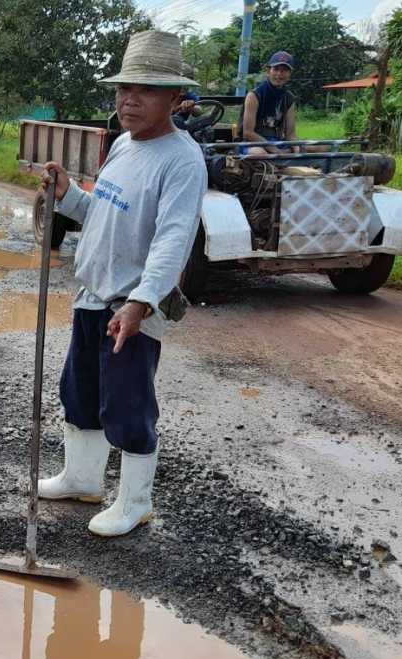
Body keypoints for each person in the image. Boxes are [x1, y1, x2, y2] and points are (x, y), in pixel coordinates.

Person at [37, 30, 206, 537]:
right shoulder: (123, 145)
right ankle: (83, 478)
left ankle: (135, 502)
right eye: (123, 89)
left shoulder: (182, 160)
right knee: (81, 391)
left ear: (176, 98)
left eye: (146, 90)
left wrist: (140, 304)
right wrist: (68, 194)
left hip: (131, 305)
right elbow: (101, 214)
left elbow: (173, 241)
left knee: (128, 403)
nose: (129, 100)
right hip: (93, 294)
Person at [242, 51, 298, 154]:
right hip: (253, 143)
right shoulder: (254, 95)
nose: (279, 74)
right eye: (276, 69)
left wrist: (297, 149)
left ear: (290, 74)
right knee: (259, 153)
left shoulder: (289, 98)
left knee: (322, 148)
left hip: (277, 141)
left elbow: (291, 134)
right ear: (268, 71)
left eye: (284, 70)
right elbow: (248, 133)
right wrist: (274, 150)